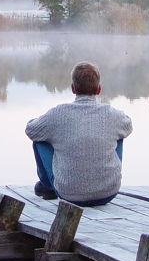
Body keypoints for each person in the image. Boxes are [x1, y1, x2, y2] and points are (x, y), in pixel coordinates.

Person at [25, 61, 132, 207]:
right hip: (108, 193)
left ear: (73, 89)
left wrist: (45, 126)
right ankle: (106, 179)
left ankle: (47, 187)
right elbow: (128, 126)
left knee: (40, 140)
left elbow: (31, 130)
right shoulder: (112, 114)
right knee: (119, 135)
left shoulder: (58, 114)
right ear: (99, 89)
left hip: (68, 195)